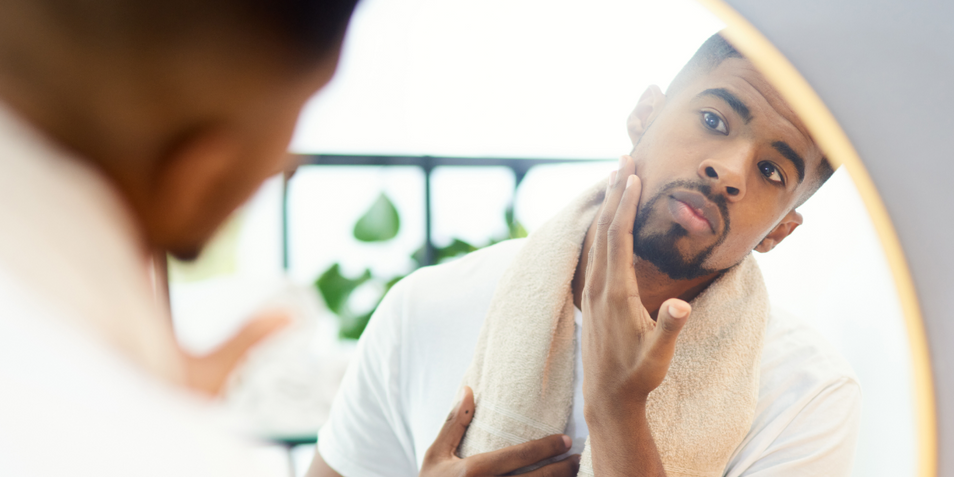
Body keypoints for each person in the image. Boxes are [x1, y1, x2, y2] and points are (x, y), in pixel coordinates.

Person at [309, 34, 862, 477]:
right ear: (646, 114)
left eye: (772, 171)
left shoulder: (807, 395)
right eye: (714, 120)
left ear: (780, 230)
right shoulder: (424, 310)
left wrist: (617, 407)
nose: (732, 170)